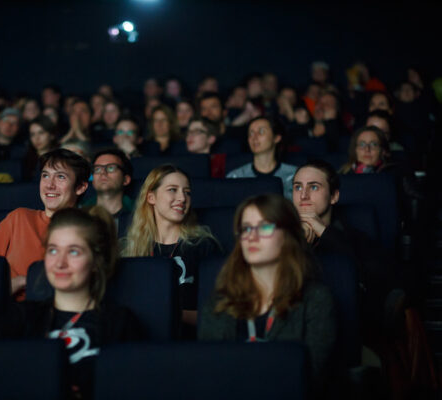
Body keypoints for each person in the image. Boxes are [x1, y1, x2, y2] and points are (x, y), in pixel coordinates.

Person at [0, 207, 143, 399]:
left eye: (74, 252)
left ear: (96, 262)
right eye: (53, 250)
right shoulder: (20, 317)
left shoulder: (120, 322)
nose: (60, 263)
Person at [198, 194, 336, 394]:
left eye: (264, 227)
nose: (252, 237)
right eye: (246, 228)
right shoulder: (219, 303)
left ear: (287, 235)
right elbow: (208, 376)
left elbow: (309, 378)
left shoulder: (316, 300)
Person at [292, 160, 397, 345]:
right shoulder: (277, 236)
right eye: (297, 187)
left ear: (334, 196)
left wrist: (322, 231)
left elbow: (378, 283)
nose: (304, 195)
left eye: (314, 187)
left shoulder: (356, 238)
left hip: (346, 333)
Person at [0, 149, 90, 296]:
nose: (50, 185)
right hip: (10, 309)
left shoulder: (88, 229)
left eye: (60, 177)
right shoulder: (19, 218)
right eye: (45, 176)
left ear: (80, 187)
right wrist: (11, 285)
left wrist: (27, 280)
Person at [122, 165, 221, 330]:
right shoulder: (131, 249)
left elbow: (217, 316)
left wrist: (169, 314)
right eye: (172, 190)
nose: (182, 198)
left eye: (187, 192)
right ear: (151, 197)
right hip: (142, 340)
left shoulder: (204, 246)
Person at [226, 116, 297, 199]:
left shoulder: (294, 176)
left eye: (261, 131)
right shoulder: (235, 177)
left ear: (276, 138)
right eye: (251, 133)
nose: (254, 137)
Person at [82, 149, 134, 235]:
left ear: (126, 180)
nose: (103, 173)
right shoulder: (81, 213)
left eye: (111, 168)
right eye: (97, 169)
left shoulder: (139, 212)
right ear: (93, 180)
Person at [23, 116, 58, 180]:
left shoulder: (61, 159)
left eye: (41, 133)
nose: (37, 138)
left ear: (52, 135)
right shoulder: (25, 160)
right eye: (33, 134)